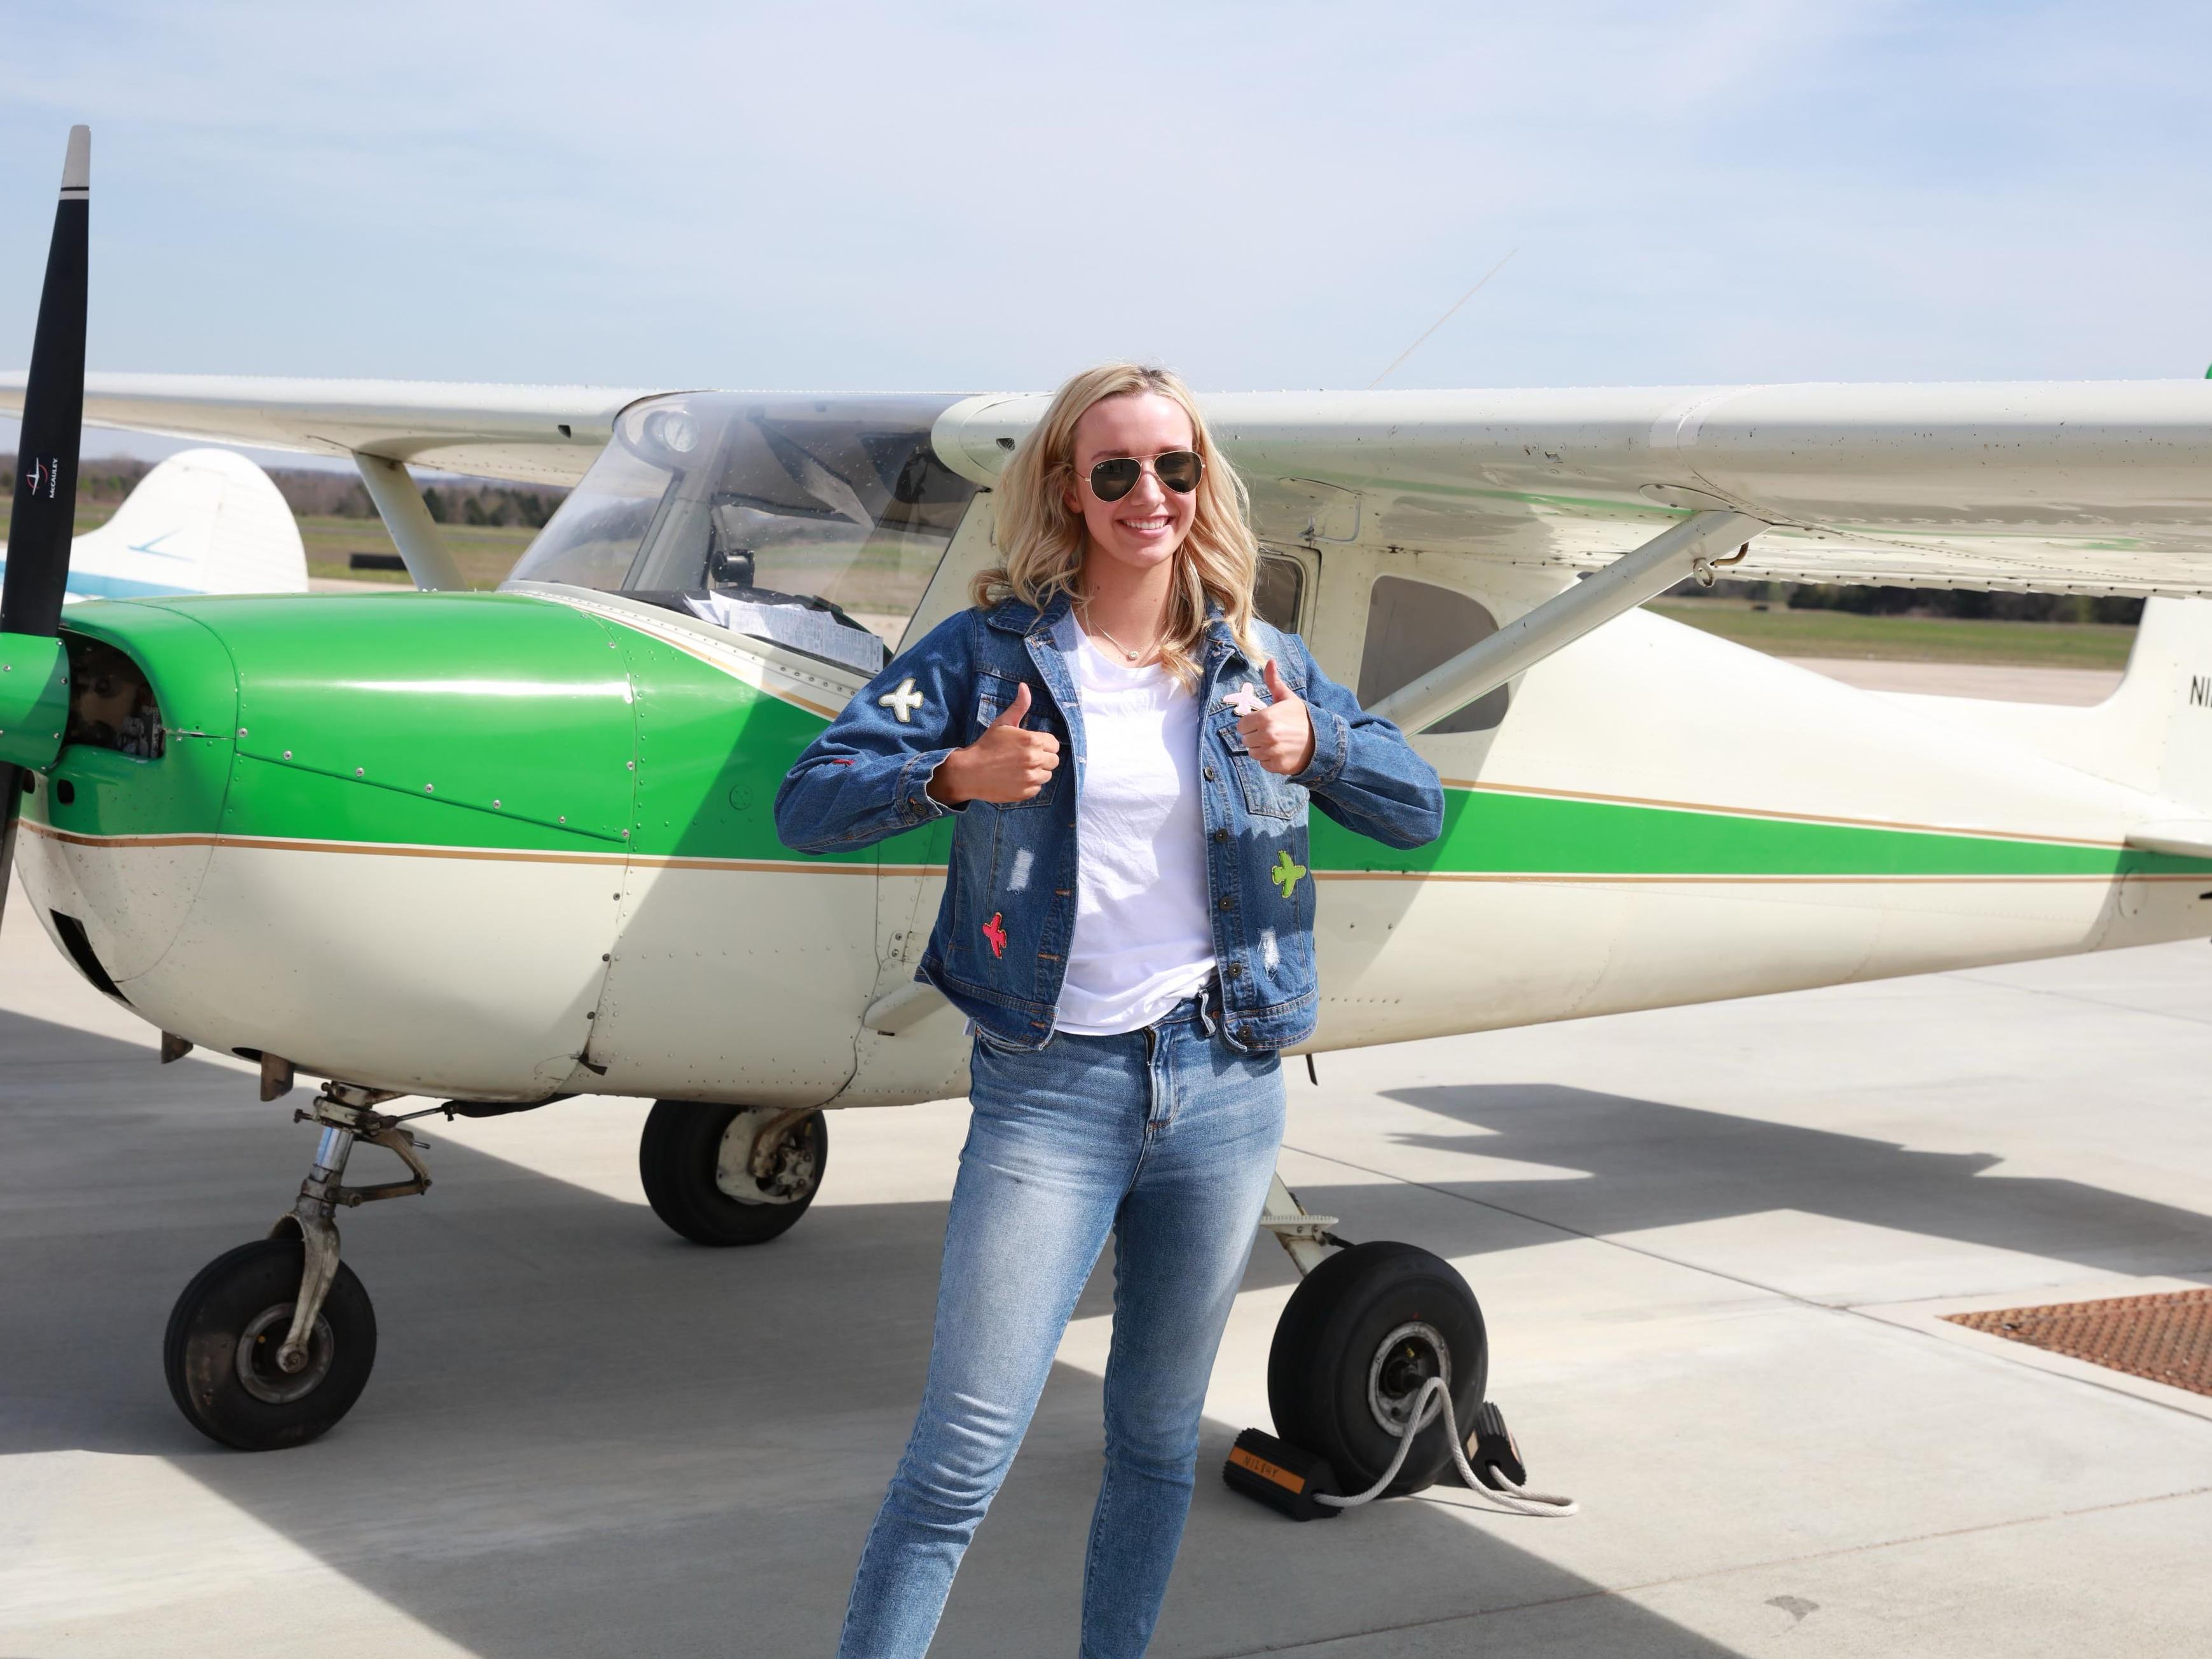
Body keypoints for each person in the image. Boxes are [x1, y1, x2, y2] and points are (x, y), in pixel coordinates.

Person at [775, 362, 1443, 1657]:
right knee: (960, 1456)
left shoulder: (1263, 663)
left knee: (1150, 1445)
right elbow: (813, 798)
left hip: (1225, 1089)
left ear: (1205, 484)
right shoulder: (990, 657)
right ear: (1068, 492)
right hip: (1052, 1093)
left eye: (1176, 467)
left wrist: (1326, 749)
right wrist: (953, 775)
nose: (1152, 494)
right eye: (1117, 470)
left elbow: (1415, 812)